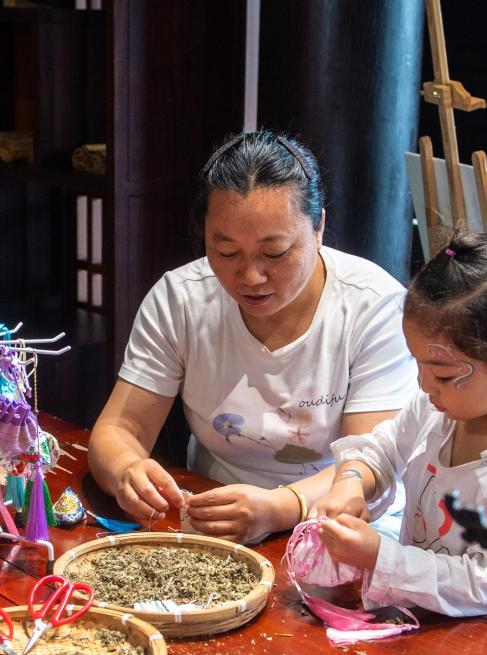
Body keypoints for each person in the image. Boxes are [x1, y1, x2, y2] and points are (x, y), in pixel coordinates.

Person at [88, 130, 416, 541]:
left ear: (319, 227)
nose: (251, 276)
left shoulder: (375, 306)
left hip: (344, 526)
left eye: (275, 253)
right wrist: (126, 470)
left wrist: (281, 507)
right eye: (226, 252)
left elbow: (370, 463)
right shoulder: (182, 299)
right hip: (217, 514)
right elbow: (121, 428)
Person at [311, 227, 487, 623]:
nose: (424, 385)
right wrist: (351, 481)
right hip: (424, 619)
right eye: (417, 364)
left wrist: (380, 556)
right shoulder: (442, 404)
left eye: (442, 374)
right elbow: (384, 449)